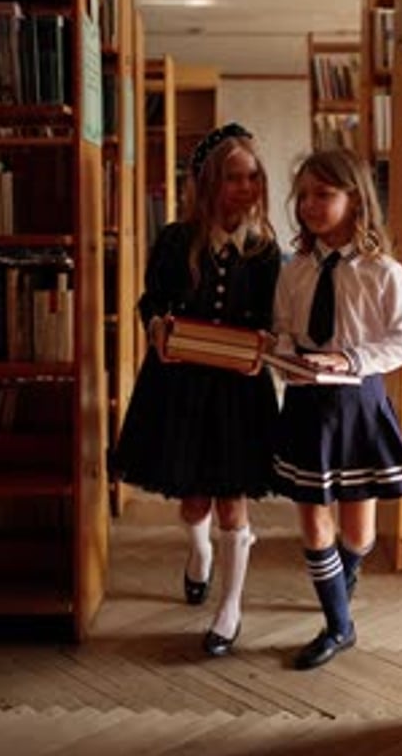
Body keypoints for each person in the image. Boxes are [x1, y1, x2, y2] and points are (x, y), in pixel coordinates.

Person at [112, 122, 281, 657]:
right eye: (234, 177)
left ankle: (229, 608)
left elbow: (280, 319)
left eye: (253, 177)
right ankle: (199, 551)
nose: (246, 188)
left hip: (239, 393)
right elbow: (150, 303)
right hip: (179, 387)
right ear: (208, 182)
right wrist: (157, 325)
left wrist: (266, 343)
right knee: (194, 500)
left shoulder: (266, 251)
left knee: (233, 503)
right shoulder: (173, 239)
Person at [271, 147, 402, 671]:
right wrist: (284, 357)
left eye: (324, 194)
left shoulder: (384, 271)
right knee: (314, 525)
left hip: (359, 403)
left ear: (355, 199)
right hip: (306, 404)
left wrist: (350, 357)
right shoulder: (294, 271)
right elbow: (284, 329)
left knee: (358, 534)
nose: (310, 205)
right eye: (303, 196)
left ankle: (343, 575)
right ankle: (339, 626)